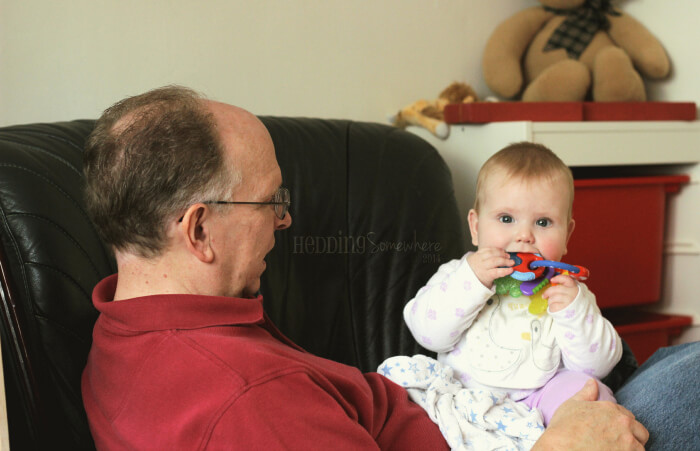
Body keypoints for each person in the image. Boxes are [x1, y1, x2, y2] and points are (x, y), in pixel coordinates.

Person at [81, 86, 650, 449]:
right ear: (199, 230)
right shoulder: (249, 400)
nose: (284, 221)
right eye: (271, 201)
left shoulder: (124, 326)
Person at [404, 142, 620, 426]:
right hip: (465, 398)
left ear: (567, 234)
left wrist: (573, 311)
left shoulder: (567, 290)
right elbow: (427, 334)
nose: (524, 235)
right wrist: (472, 281)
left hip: (542, 397)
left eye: (543, 222)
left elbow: (597, 367)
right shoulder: (458, 275)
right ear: (476, 227)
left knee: (592, 397)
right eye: (506, 219)